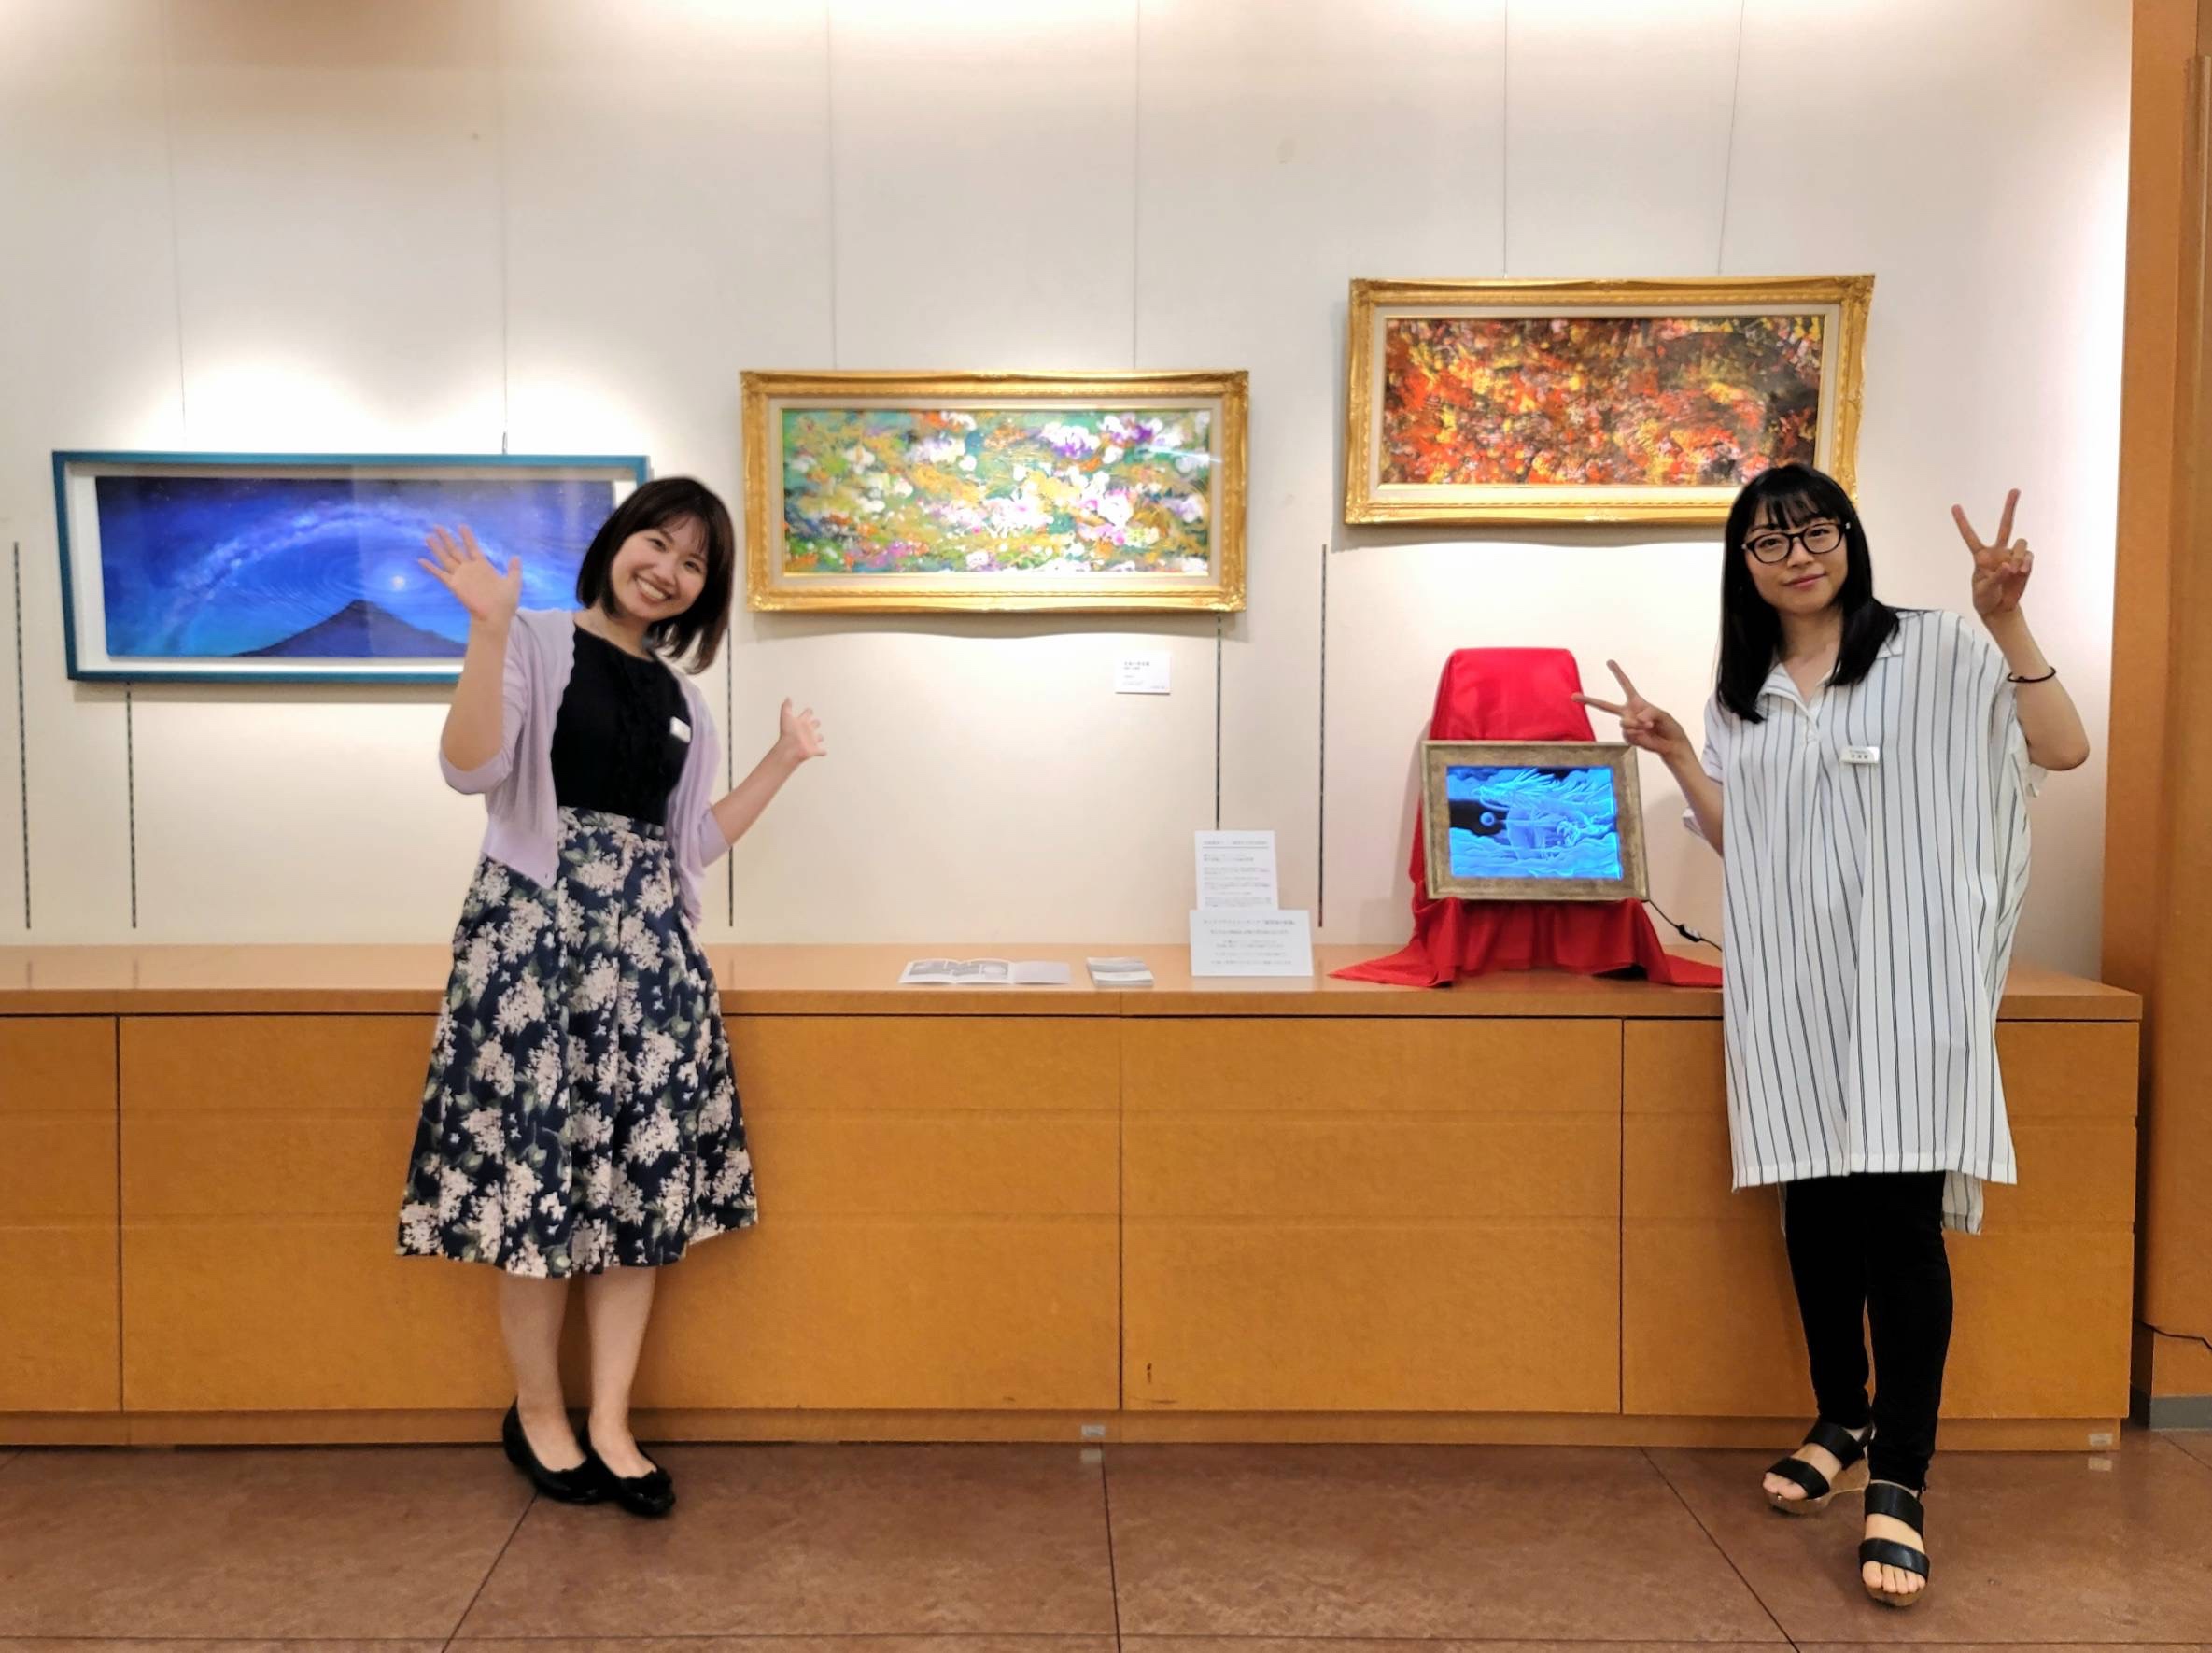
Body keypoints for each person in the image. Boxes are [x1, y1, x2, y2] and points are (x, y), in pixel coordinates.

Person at [1576, 463, 2089, 1607]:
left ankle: (1898, 1478)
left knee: (1899, 1230)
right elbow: (1745, 836)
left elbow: (2059, 750)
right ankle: (1839, 1415)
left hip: (1910, 985)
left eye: (1815, 531)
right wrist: (1677, 752)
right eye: (1769, 540)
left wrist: (2006, 620)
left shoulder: (1941, 648)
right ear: (1743, 565)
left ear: (1847, 540)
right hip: (1792, 991)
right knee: (1811, 1219)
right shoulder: (1743, 691)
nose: (1797, 554)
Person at [395, 477, 825, 1518]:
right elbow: (469, 769)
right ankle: (538, 1415)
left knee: (638, 1196)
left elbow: (690, 846)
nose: (668, 571)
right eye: (657, 544)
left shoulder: (684, 702)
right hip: (531, 956)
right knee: (533, 1191)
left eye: (694, 564)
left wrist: (781, 761)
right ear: (617, 542)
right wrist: (486, 631)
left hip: (648, 965)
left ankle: (611, 1423)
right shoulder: (535, 640)